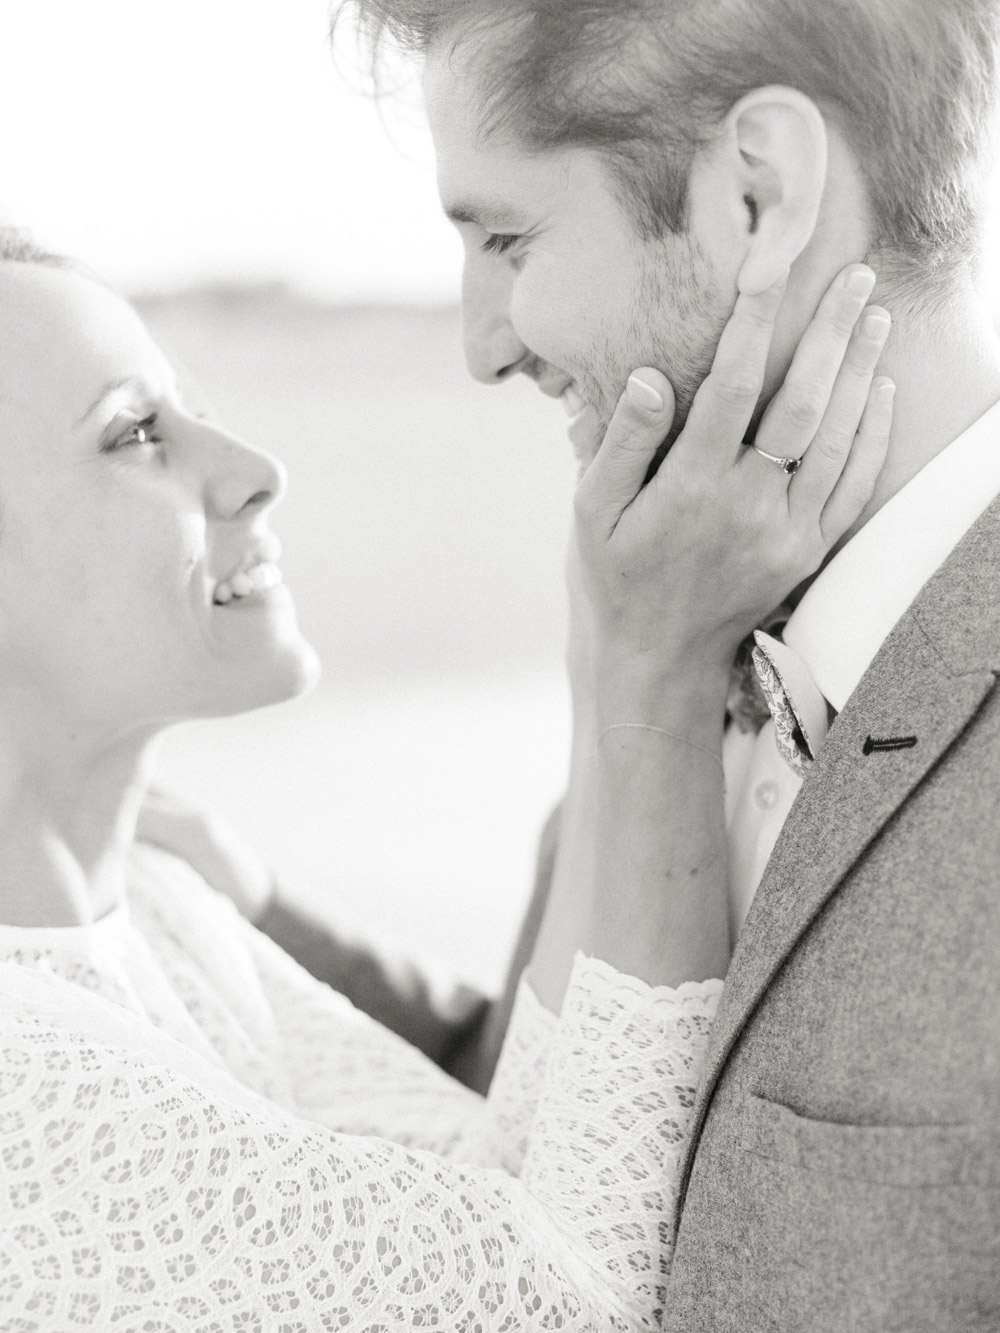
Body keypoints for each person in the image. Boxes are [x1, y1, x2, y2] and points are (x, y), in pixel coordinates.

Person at [0, 234, 887, 1330]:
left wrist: (608, 635)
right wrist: (648, 673)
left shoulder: (158, 912)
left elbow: (506, 1170)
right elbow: (574, 1306)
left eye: (195, 408)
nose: (253, 466)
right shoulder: (23, 1093)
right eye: (135, 434)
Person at [323, 0, 1000, 1327]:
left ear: (756, 196)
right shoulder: (662, 617)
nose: (484, 346)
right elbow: (551, 1107)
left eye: (508, 238)